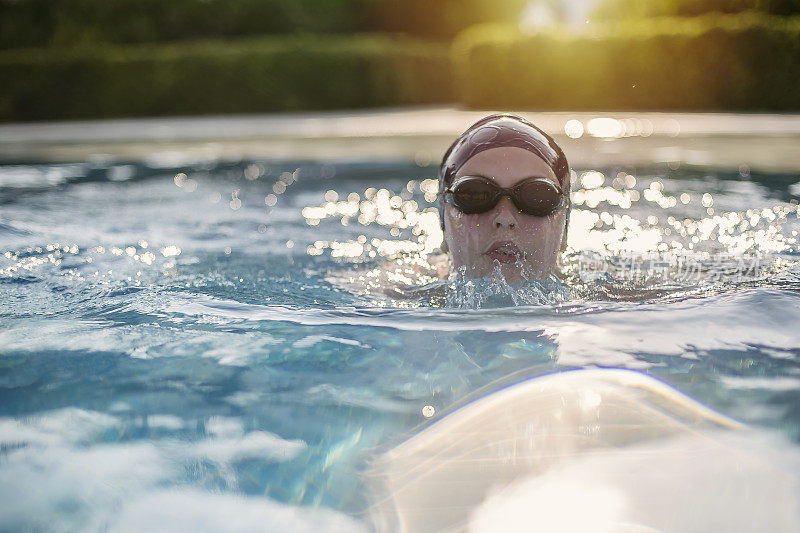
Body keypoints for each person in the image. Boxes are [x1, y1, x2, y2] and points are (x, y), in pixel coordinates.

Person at [438, 114, 571, 283]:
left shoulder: (608, 294)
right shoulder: (397, 293)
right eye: (474, 195)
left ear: (564, 230)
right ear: (444, 223)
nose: (505, 218)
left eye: (538, 197)